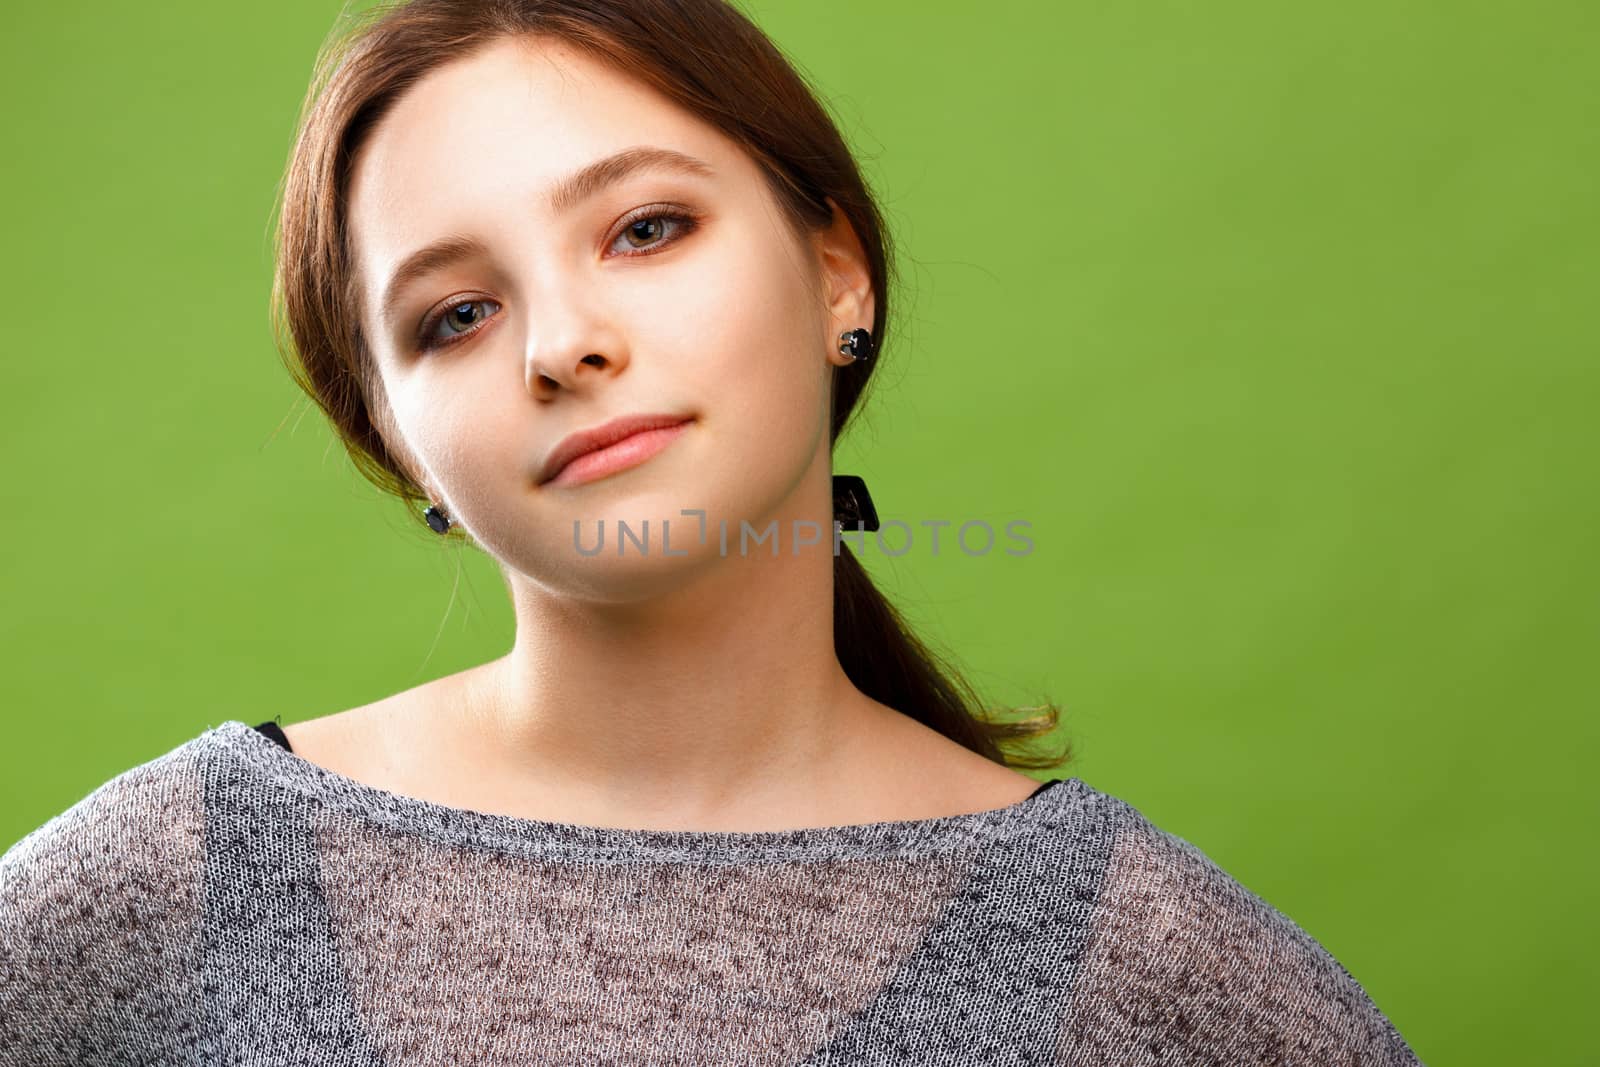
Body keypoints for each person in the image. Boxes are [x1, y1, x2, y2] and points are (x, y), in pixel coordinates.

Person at [0, 1, 1423, 1062]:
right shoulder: (197, 870)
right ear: (394, 443)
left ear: (836, 274)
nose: (562, 344)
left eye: (644, 229)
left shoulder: (1125, 943)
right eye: (456, 314)